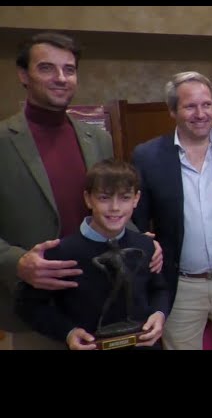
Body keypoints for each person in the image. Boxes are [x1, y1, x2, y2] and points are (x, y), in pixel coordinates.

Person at [0, 32, 162, 349]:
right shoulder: (3, 142)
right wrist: (16, 262)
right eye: (47, 68)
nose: (61, 78)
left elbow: (109, 205)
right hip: (37, 311)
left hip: (103, 308)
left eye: (69, 69)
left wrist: (141, 241)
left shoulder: (96, 138)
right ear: (23, 75)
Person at [131, 71, 212, 350]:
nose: (200, 114)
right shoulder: (147, 156)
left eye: (207, 104)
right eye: (190, 106)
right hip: (180, 287)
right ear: (172, 111)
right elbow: (137, 221)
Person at [14, 159, 169, 350]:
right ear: (88, 199)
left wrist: (159, 313)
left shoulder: (145, 245)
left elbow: (159, 288)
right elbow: (28, 305)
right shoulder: (62, 252)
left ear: (136, 199)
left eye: (125, 198)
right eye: (104, 198)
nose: (115, 207)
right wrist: (68, 332)